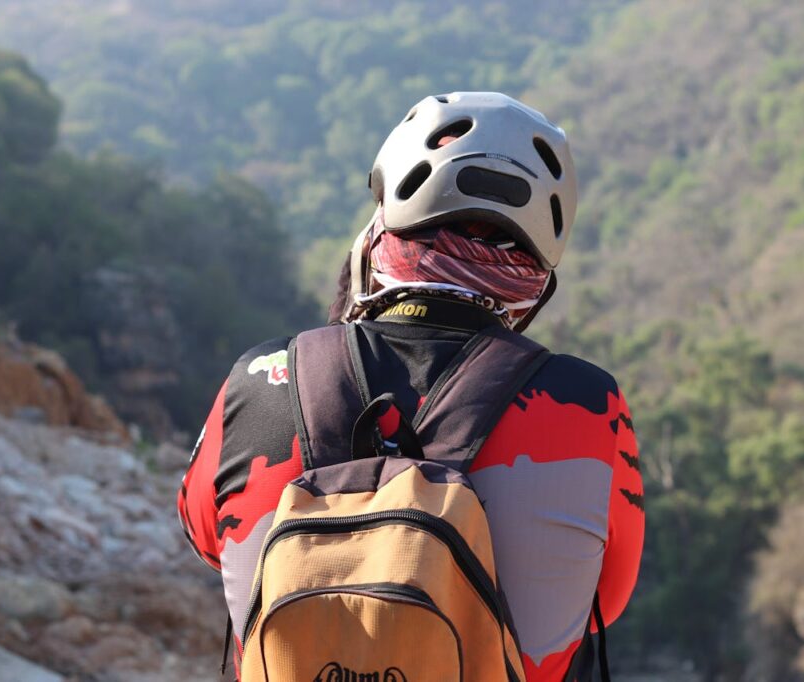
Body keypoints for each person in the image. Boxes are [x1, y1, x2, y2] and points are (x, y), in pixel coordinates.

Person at [179, 91, 644, 680]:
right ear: (536, 271)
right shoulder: (589, 405)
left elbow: (206, 536)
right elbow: (608, 595)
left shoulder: (258, 380)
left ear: (383, 228)